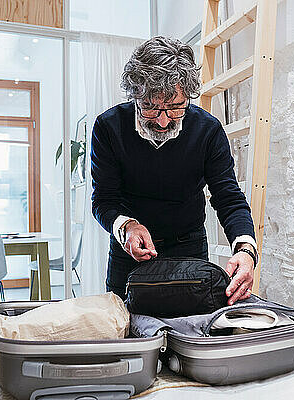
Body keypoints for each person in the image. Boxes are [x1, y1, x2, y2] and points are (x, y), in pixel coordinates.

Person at [91, 36, 257, 306]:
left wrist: (246, 250)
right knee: (125, 332)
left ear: (189, 95)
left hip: (188, 249)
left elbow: (229, 197)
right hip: (129, 252)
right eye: (150, 107)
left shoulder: (208, 130)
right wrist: (128, 227)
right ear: (135, 94)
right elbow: (104, 199)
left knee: (193, 328)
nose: (162, 119)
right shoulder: (109, 127)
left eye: (175, 107)